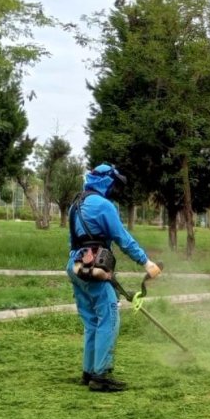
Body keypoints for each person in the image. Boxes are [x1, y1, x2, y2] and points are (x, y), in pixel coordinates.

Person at [66, 163, 161, 392]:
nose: (116, 190)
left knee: (91, 322)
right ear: (107, 181)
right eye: (115, 184)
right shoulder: (103, 205)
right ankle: (102, 376)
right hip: (96, 268)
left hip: (75, 265)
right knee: (109, 317)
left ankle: (89, 372)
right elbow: (122, 238)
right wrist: (147, 263)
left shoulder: (75, 205)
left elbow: (73, 242)